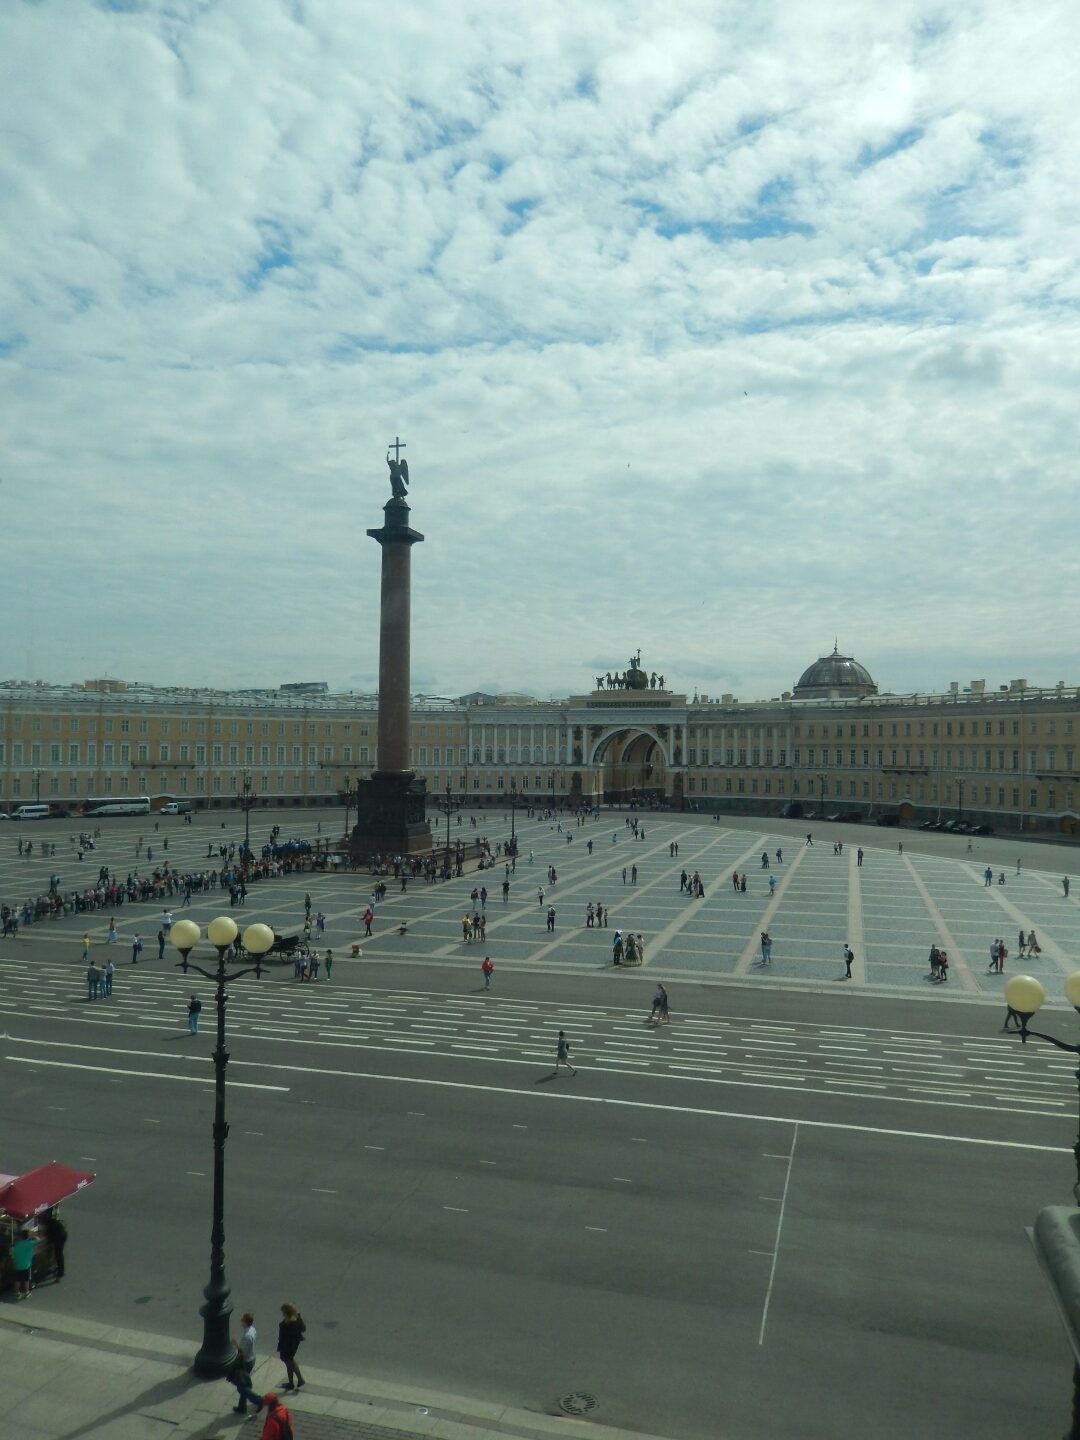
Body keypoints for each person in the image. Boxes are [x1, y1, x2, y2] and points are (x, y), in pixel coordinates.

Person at [230, 1312, 261, 1415]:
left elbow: (243, 1352)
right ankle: (242, 1407)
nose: (240, 1321)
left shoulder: (247, 1336)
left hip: (246, 1362)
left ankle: (259, 1400)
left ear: (245, 1322)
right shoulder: (252, 1330)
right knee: (244, 1384)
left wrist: (235, 1344)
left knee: (241, 1386)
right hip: (252, 1358)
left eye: (242, 1320)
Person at [277, 1302, 306, 1390]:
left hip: (287, 1347)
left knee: (289, 1363)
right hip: (293, 1345)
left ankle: (296, 1381)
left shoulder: (286, 1324)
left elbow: (283, 1337)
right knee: (290, 1362)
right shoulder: (297, 1319)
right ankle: (294, 1381)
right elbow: (303, 1329)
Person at [42, 1208, 66, 1282]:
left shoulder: (49, 1226)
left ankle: (60, 1273)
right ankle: (57, 1268)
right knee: (59, 1254)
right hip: (62, 1236)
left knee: (58, 1255)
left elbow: (48, 1236)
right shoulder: (53, 1222)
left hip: (59, 1238)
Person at [12, 1227, 35, 1300]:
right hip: (26, 1265)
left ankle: (17, 1293)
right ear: (27, 1236)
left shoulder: (16, 1245)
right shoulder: (29, 1243)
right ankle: (26, 1292)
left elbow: (13, 1254)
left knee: (17, 1280)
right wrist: (32, 1236)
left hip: (17, 1265)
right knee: (26, 1279)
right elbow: (38, 1240)